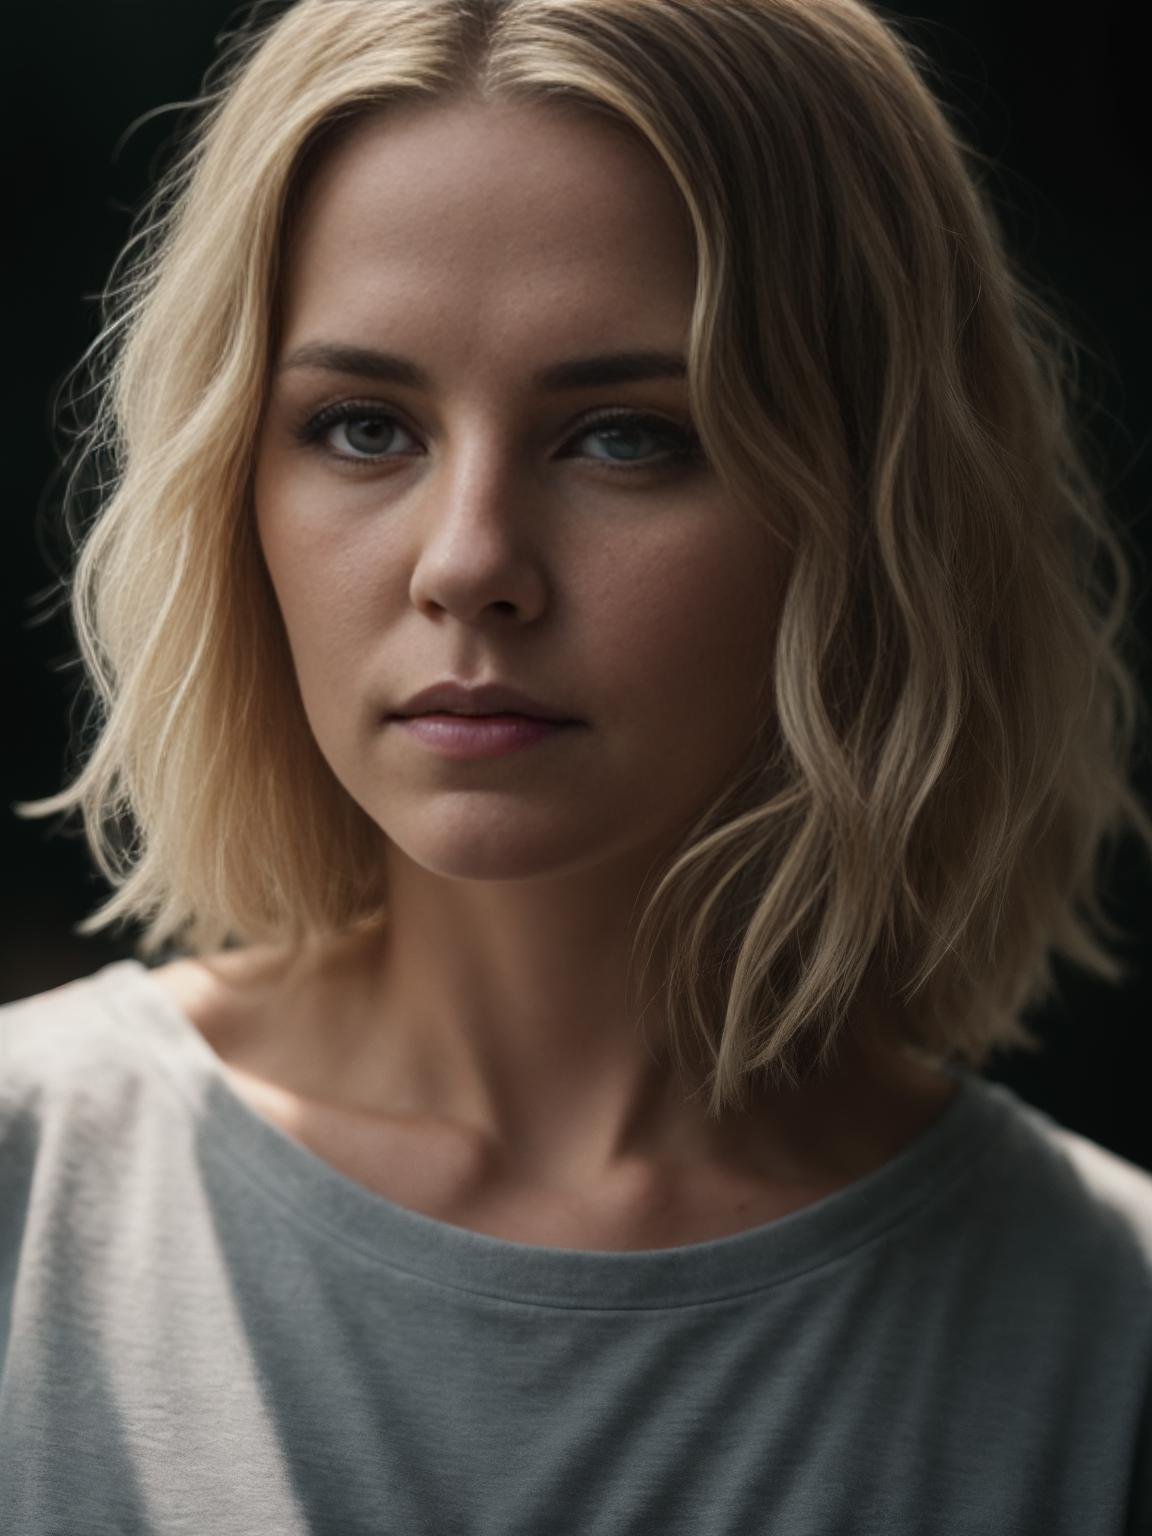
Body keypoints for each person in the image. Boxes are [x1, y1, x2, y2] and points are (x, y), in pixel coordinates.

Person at [3, 0, 1150, 1530]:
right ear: (232, 487)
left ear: (878, 514)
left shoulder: (1107, 1335)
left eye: (625, 437)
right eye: (361, 427)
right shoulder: (29, 1188)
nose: (470, 564)